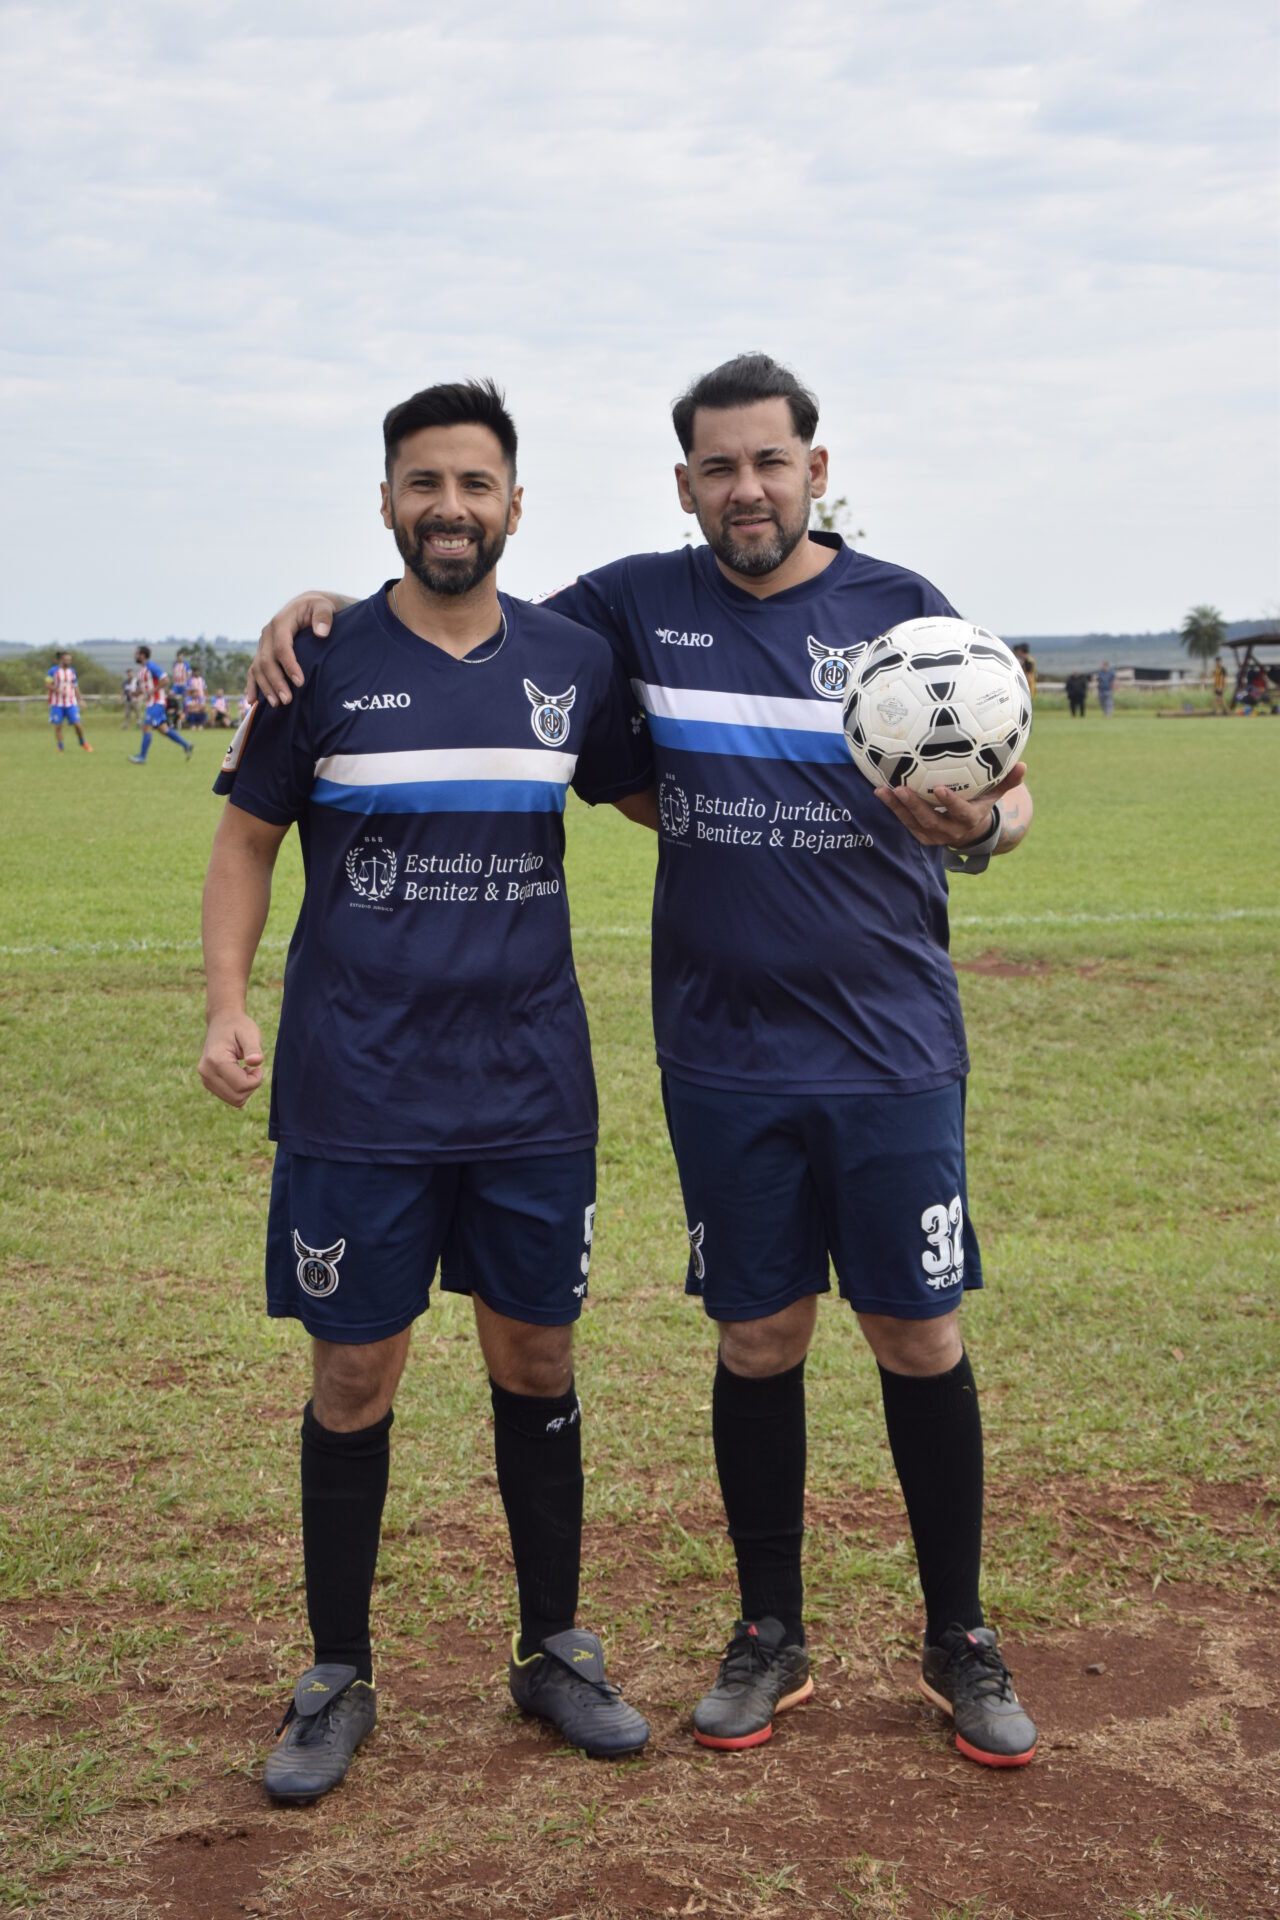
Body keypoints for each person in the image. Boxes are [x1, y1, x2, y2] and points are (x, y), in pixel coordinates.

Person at [248, 352, 1039, 1770]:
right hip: (722, 1052)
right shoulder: (626, 606)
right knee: (758, 1338)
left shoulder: (902, 609)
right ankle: (768, 1632)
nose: (747, 489)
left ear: (813, 469)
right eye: (717, 467)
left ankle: (961, 1640)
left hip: (892, 1045)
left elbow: (1008, 788)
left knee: (918, 1333)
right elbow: (457, 615)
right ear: (685, 485)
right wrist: (316, 611)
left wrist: (981, 828)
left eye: (770, 461)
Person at [200, 379, 654, 1804]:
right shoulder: (318, 663)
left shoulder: (574, 661)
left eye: (473, 483)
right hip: (359, 1091)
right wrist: (227, 1004)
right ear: (387, 501)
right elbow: (246, 841)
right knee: (353, 1374)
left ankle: (552, 1649)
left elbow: (660, 798)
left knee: (539, 1364)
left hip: (530, 1089)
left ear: (515, 504)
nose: (449, 507)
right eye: (423, 483)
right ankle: (337, 1671)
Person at [129, 646, 193, 764]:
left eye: (137, 653)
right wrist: (135, 693)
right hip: (151, 703)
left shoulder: (151, 667)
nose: (135, 656)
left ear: (143, 655)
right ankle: (186, 745)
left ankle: (142, 757)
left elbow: (165, 680)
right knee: (163, 729)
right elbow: (144, 688)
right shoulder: (142, 670)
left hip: (157, 702)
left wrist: (153, 691)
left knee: (146, 726)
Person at [46, 651, 92, 752]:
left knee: (77, 724)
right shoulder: (52, 671)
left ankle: (83, 742)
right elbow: (48, 684)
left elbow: (75, 686)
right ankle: (60, 747)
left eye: (69, 659)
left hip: (71, 703)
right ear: (61, 660)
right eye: (67, 659)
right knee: (58, 726)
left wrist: (80, 700)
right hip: (57, 704)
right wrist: (58, 690)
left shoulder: (72, 671)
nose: (69, 661)